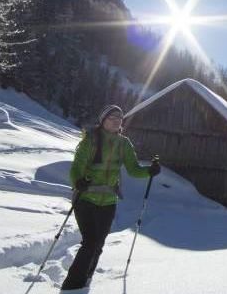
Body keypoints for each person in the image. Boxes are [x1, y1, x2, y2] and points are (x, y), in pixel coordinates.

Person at [60, 104, 161, 291]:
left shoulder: (124, 144)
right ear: (103, 120)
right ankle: (72, 285)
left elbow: (133, 170)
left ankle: (86, 277)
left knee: (98, 244)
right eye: (112, 118)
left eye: (119, 119)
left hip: (108, 202)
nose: (116, 121)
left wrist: (150, 171)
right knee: (90, 241)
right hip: (85, 198)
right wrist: (78, 181)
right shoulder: (90, 141)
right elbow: (76, 167)